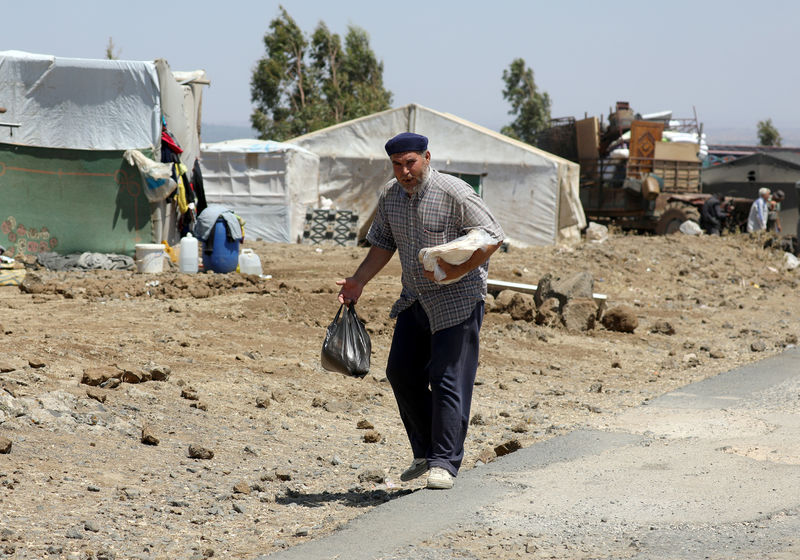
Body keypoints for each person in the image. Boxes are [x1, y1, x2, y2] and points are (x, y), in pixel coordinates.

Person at [336, 132, 504, 490]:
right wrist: (358, 281)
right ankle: (426, 452)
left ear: (427, 157)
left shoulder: (455, 193)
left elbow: (493, 235)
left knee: (447, 379)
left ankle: (445, 461)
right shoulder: (391, 196)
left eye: (410, 162)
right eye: (397, 165)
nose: (404, 171)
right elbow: (382, 244)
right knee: (401, 372)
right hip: (415, 299)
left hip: (458, 300)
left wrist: (455, 271)